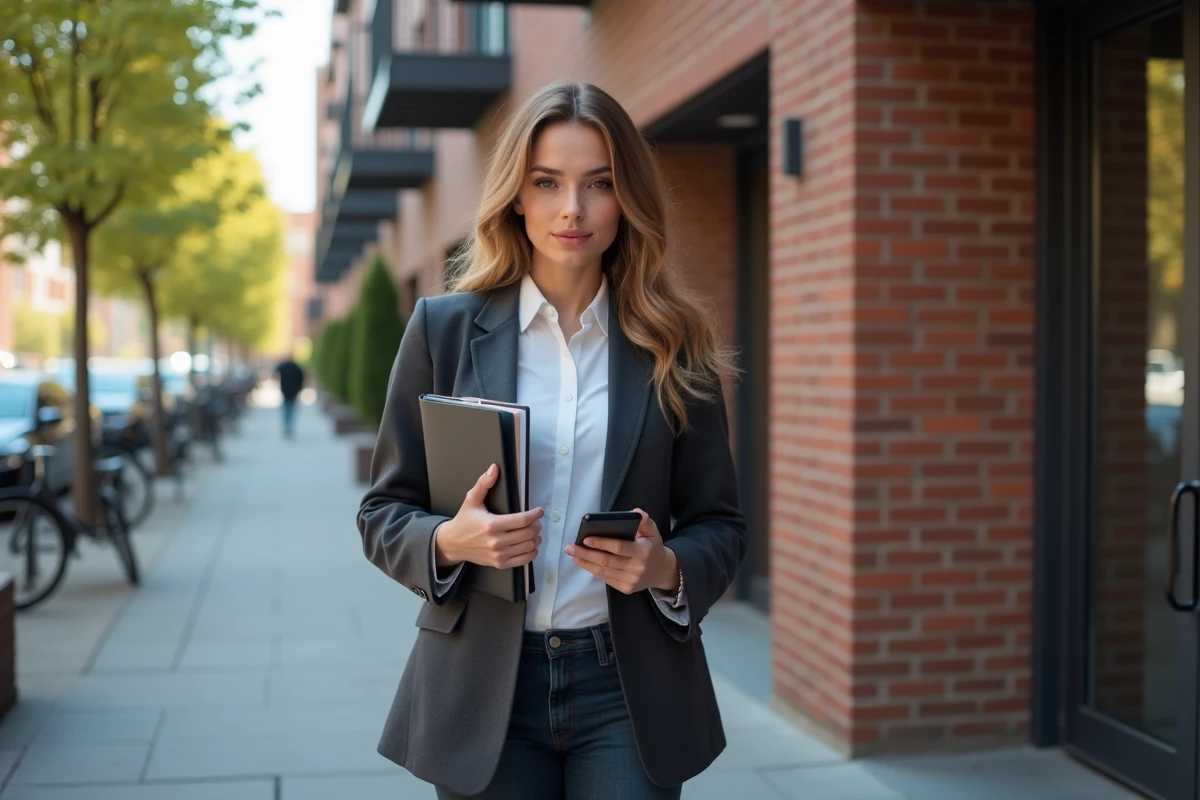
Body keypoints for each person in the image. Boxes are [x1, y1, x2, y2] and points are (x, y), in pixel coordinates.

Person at [357, 81, 746, 799]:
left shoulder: (674, 343)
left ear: (627, 197)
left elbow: (721, 525)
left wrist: (664, 568)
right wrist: (451, 543)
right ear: (516, 196)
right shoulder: (443, 330)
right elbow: (383, 513)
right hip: (483, 685)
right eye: (548, 183)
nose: (572, 209)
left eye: (599, 183)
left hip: (626, 687)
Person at [274, 355, 304, 439]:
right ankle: (289, 427)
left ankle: (286, 427)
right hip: (294, 391)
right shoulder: (296, 367)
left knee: (286, 409)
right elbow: (301, 378)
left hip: (285, 390)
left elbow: (275, 372)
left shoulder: (284, 366)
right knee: (291, 409)